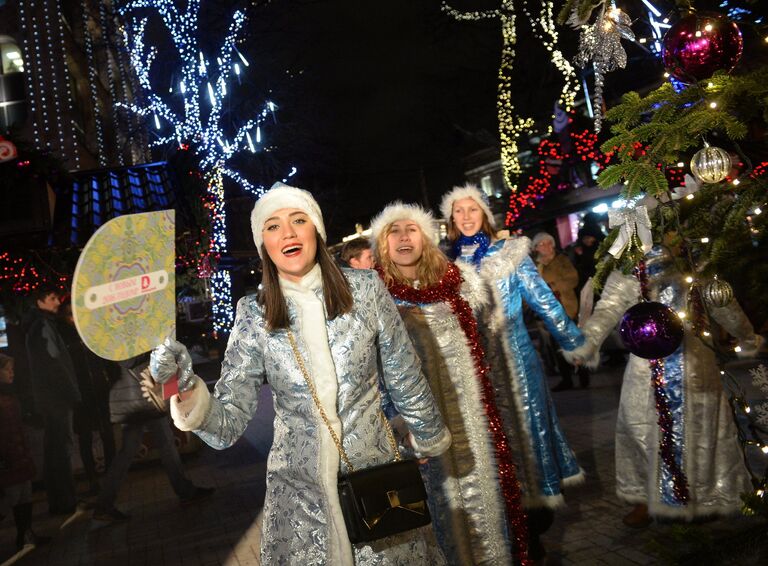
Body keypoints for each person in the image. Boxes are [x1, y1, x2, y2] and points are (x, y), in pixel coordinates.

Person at [150, 183, 451, 565]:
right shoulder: (253, 315)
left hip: (376, 481)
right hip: (299, 498)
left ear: (317, 231)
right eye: (273, 226)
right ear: (264, 243)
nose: (288, 233)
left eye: (298, 220)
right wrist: (184, 386)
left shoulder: (366, 289)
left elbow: (405, 374)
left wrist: (427, 438)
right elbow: (226, 426)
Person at [371, 202, 528, 565]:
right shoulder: (374, 298)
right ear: (382, 243)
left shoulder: (460, 285)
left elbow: (486, 353)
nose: (403, 236)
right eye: (393, 231)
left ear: (426, 237)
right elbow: (373, 373)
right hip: (418, 437)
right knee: (438, 522)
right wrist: (400, 426)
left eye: (411, 229)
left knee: (487, 511)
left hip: (474, 425)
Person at [440, 183, 585, 561]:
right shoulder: (444, 263)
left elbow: (543, 299)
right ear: (451, 219)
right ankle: (503, 523)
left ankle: (533, 524)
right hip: (471, 370)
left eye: (473, 209)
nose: (467, 217)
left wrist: (572, 342)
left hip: (516, 361)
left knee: (525, 437)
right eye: (459, 211)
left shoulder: (512, 252)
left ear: (485, 214)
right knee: (486, 447)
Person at [566, 246, 758, 527]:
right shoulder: (627, 260)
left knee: (700, 429)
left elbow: (720, 301)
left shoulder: (692, 254)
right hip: (645, 361)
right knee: (637, 424)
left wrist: (746, 334)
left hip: (693, 357)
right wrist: (586, 344)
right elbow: (609, 307)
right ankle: (645, 496)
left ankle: (705, 497)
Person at [92, 353, 213, 522]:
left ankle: (104, 505)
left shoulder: (116, 339)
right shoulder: (128, 341)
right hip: (143, 398)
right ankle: (185, 491)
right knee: (163, 444)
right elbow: (129, 361)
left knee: (138, 448)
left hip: (137, 398)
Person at [22, 285, 80, 515]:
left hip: (48, 398)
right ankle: (66, 502)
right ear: (40, 302)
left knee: (53, 448)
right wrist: (71, 392)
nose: (58, 302)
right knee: (60, 449)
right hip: (56, 398)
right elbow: (55, 363)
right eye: (53, 298)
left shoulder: (36, 326)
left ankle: (60, 500)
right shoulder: (44, 326)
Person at [58, 299, 115, 494]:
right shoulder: (64, 336)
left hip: (98, 388)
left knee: (106, 432)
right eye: (68, 314)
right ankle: (93, 478)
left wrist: (110, 377)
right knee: (86, 436)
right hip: (81, 392)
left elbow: (104, 356)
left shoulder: (90, 330)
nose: (72, 318)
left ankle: (111, 473)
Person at [0, 353, 51, 554]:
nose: (12, 372)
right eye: (6, 369)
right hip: (8, 460)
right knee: (10, 499)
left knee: (24, 496)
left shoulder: (10, 397)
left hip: (18, 456)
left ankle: (25, 533)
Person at [532, 232, 590, 391]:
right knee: (556, 346)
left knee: (574, 342)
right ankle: (566, 379)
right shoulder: (535, 265)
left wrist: (553, 286)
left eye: (549, 243)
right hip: (548, 310)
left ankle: (583, 376)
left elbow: (573, 278)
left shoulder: (562, 259)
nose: (547, 246)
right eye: (542, 244)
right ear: (536, 248)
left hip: (566, 307)